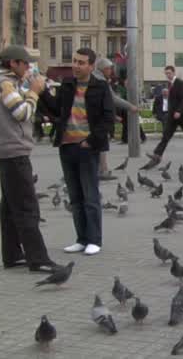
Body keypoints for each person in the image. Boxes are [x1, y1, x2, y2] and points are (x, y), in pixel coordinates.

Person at [0, 45, 59, 273]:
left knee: (10, 207)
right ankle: (38, 258)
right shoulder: (5, 83)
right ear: (12, 63)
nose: (28, 67)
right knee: (28, 207)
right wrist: (34, 92)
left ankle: (12, 255)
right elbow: (22, 113)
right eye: (25, 63)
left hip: (4, 151)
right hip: (14, 151)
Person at [38, 48, 114, 257]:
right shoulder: (67, 84)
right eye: (74, 61)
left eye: (81, 63)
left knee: (90, 196)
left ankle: (94, 240)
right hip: (67, 146)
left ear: (91, 66)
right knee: (75, 197)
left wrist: (91, 141)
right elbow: (56, 110)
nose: (76, 66)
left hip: (87, 148)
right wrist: (42, 92)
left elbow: (108, 118)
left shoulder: (100, 87)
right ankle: (81, 239)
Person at [93, 58, 143, 177]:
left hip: (92, 116)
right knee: (101, 144)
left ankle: (99, 170)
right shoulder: (100, 80)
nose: (111, 71)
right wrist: (131, 107)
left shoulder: (94, 77)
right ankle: (102, 171)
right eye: (110, 68)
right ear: (104, 69)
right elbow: (113, 99)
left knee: (97, 144)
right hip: (98, 117)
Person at [149, 65, 183, 162]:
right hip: (173, 115)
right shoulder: (170, 84)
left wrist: (179, 111)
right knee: (166, 134)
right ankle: (157, 154)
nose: (168, 75)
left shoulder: (179, 83)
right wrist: (172, 112)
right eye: (166, 73)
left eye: (169, 73)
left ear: (173, 72)